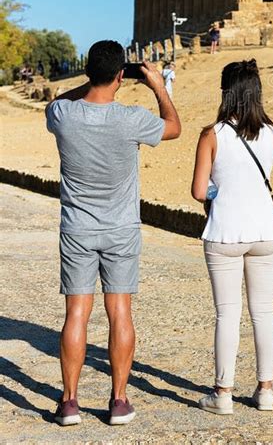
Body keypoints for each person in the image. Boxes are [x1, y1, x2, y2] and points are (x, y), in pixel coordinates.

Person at [45, 40, 181, 427]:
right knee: (120, 311)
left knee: (76, 313)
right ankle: (118, 400)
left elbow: (55, 102)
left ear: (88, 71)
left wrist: (90, 84)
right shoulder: (130, 118)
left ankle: (69, 401)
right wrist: (157, 86)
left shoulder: (64, 116)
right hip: (121, 228)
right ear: (123, 75)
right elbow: (173, 128)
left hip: (77, 228)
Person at [191, 60, 273, 415]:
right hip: (266, 231)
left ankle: (223, 395)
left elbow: (197, 191)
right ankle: (265, 390)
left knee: (227, 314)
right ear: (257, 93)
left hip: (225, 232)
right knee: (264, 312)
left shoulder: (212, 135)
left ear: (226, 93)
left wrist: (218, 193)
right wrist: (268, 202)